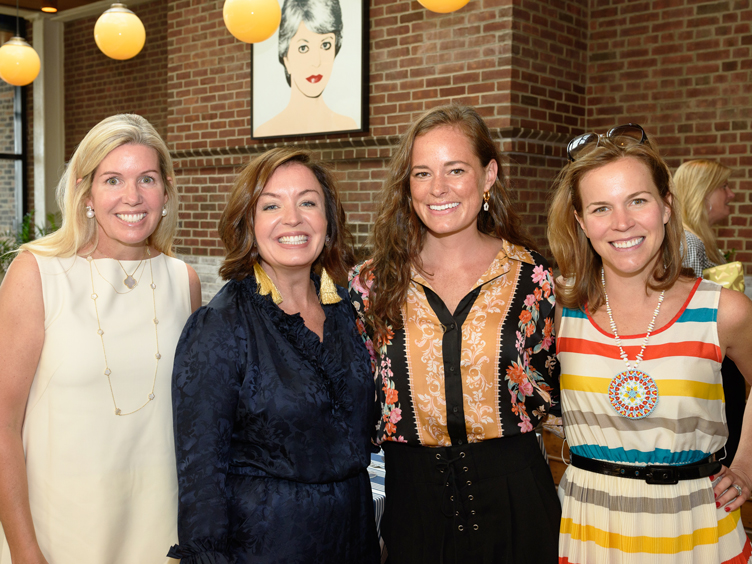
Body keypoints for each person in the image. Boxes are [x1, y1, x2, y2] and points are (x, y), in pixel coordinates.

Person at [349, 104, 561, 564]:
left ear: (488, 176)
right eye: (422, 173)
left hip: (517, 501)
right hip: (413, 508)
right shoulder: (370, 283)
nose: (437, 188)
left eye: (455, 169)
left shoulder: (536, 279)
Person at [0, 114, 202, 564]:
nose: (132, 196)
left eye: (146, 179)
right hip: (59, 535)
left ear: (165, 191)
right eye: (113, 179)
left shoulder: (182, 281)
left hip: (161, 534)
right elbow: (3, 425)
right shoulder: (37, 274)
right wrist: (24, 550)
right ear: (86, 192)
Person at [548, 124, 752, 563]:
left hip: (695, 529)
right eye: (601, 208)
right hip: (590, 530)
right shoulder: (559, 307)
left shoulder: (723, 311)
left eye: (637, 201)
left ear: (666, 206)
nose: (622, 223)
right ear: (581, 222)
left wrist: (746, 467)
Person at [167, 148, 379, 564]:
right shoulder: (220, 327)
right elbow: (200, 480)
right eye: (271, 205)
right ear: (249, 222)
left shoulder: (348, 312)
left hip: (353, 540)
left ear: (328, 221)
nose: (293, 218)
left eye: (307, 202)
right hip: (267, 547)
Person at [674, 159, 746, 465]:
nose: (731, 195)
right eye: (724, 187)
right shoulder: (690, 241)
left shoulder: (693, 238)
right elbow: (689, 314)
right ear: (703, 194)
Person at [253, 0, 357, 137]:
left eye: (325, 45)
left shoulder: (348, 124)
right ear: (286, 58)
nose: (316, 62)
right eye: (303, 48)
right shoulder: (265, 130)